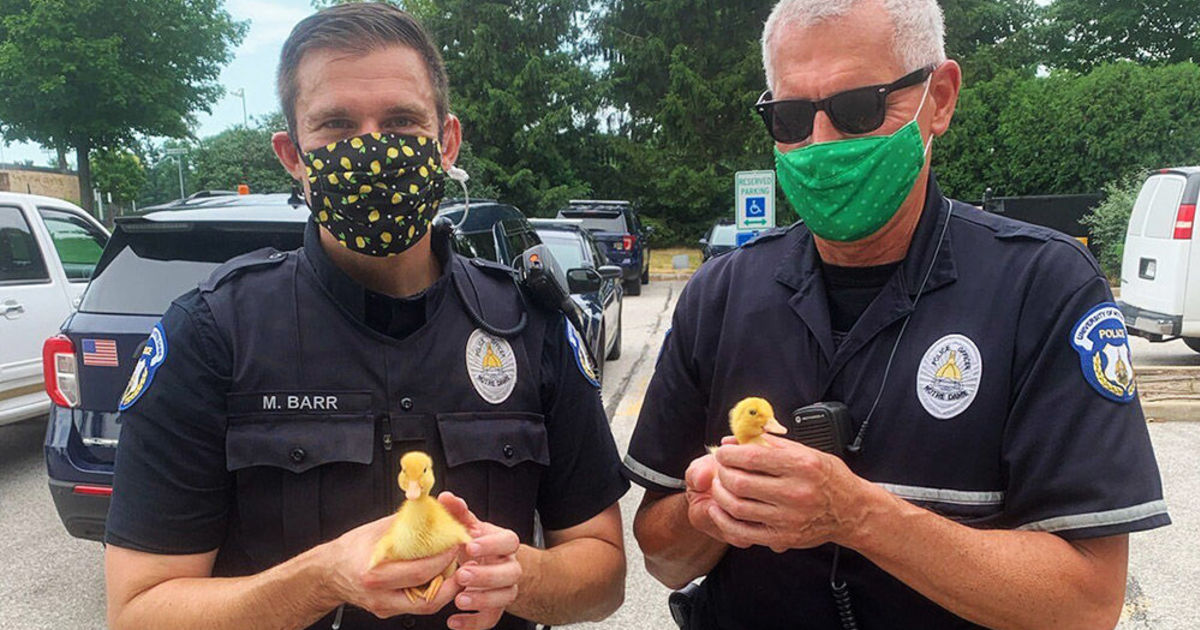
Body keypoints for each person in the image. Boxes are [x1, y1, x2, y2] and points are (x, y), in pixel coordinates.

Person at [624, 0, 1169, 628]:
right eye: (792, 119)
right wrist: (710, 509)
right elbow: (662, 560)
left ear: (939, 98)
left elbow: (1087, 602)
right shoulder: (720, 295)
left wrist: (859, 516)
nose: (819, 145)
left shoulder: (1042, 288)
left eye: (857, 110)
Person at [104, 4, 628, 630]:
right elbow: (139, 610)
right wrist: (321, 578)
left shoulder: (530, 325)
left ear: (447, 142)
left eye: (402, 123)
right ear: (293, 155)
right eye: (336, 126)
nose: (371, 150)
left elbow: (603, 575)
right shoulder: (213, 335)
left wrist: (518, 577)